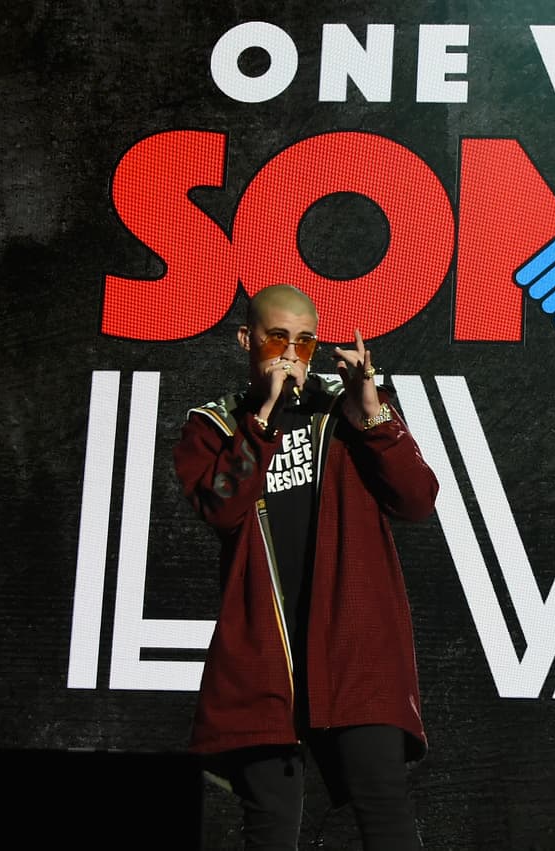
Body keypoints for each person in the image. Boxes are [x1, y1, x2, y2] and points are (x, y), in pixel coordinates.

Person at [173, 283, 439, 850]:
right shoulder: (215, 426)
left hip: (354, 647)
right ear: (246, 340)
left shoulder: (347, 408)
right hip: (263, 658)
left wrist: (373, 414)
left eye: (305, 341)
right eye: (277, 338)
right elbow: (222, 508)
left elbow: (417, 500)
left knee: (386, 812)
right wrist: (264, 418)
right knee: (270, 828)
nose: (291, 354)